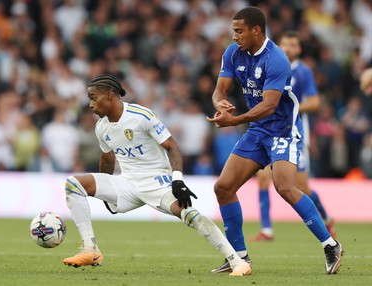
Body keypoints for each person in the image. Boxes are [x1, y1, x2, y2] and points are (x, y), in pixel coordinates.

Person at [62, 74, 252, 276]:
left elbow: (172, 146)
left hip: (157, 182)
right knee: (74, 184)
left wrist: (177, 180)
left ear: (110, 94)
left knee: (190, 215)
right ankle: (90, 250)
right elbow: (107, 158)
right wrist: (105, 189)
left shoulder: (141, 115)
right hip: (127, 183)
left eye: (93, 97)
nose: (90, 104)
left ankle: (237, 262)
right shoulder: (101, 127)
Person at [206, 7, 343, 275]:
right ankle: (239, 257)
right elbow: (220, 89)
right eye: (234, 30)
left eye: (239, 31)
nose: (234, 36)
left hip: (282, 129)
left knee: (285, 187)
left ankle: (330, 245)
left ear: (256, 30)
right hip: (257, 131)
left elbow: (269, 105)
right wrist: (218, 102)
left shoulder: (277, 59)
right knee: (223, 187)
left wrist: (234, 121)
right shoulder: (233, 52)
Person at [250, 30, 336, 242]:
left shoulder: (303, 72)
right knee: (262, 178)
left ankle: (326, 219)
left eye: (293, 45)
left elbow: (315, 102)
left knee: (302, 188)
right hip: (268, 132)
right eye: (285, 43)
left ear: (299, 49)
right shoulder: (270, 65)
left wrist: (289, 106)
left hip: (293, 133)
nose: (288, 48)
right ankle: (267, 230)